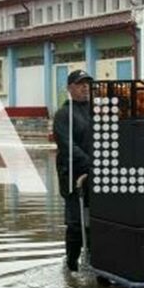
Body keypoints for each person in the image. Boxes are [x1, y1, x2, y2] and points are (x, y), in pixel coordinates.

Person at [53, 70, 93, 272]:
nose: (85, 87)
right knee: (76, 223)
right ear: (70, 88)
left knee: (97, 221)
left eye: (87, 83)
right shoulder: (63, 114)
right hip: (72, 176)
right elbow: (67, 146)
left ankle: (95, 260)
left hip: (95, 174)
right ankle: (71, 263)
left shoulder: (96, 110)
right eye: (80, 84)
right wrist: (89, 163)